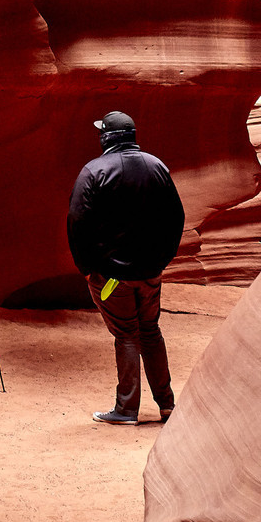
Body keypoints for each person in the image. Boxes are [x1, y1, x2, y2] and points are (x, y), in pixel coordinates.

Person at [67, 109, 185, 426]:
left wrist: (87, 268)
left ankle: (126, 410)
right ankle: (168, 405)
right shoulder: (156, 166)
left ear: (107, 136)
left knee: (127, 335)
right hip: (150, 273)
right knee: (150, 331)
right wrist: (162, 260)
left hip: (111, 277)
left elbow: (78, 222)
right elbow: (176, 218)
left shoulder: (94, 171)